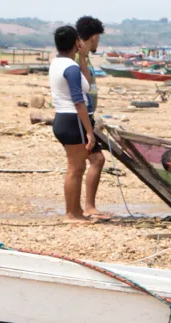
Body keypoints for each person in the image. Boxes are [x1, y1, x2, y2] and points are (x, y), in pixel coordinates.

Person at [49, 25, 101, 223]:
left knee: (84, 164)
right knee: (75, 168)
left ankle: (77, 210)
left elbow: (85, 82)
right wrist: (89, 131)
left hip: (64, 119)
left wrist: (82, 58)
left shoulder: (60, 63)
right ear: (76, 42)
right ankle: (72, 213)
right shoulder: (69, 68)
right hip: (73, 121)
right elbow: (79, 100)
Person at [74, 15, 108, 220]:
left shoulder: (83, 57)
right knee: (95, 159)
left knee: (83, 162)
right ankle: (87, 207)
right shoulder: (78, 58)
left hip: (86, 116)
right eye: (99, 39)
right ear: (94, 37)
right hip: (81, 117)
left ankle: (83, 207)